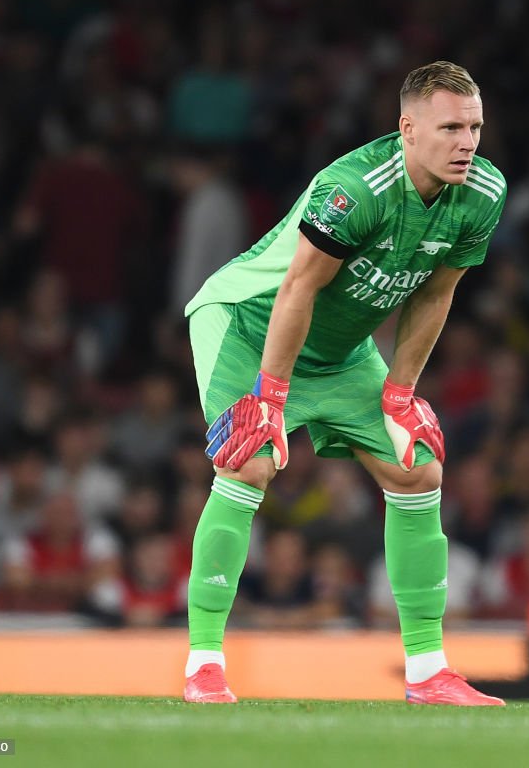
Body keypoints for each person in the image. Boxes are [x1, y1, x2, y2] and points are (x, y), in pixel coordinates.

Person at [182, 61, 507, 706]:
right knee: (248, 460)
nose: (466, 142)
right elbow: (298, 287)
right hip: (249, 323)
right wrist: (269, 396)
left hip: (341, 348)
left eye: (473, 127)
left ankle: (428, 673)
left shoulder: (484, 192)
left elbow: (436, 293)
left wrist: (401, 393)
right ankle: (203, 665)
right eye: (449, 128)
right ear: (408, 129)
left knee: (418, 471)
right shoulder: (356, 188)